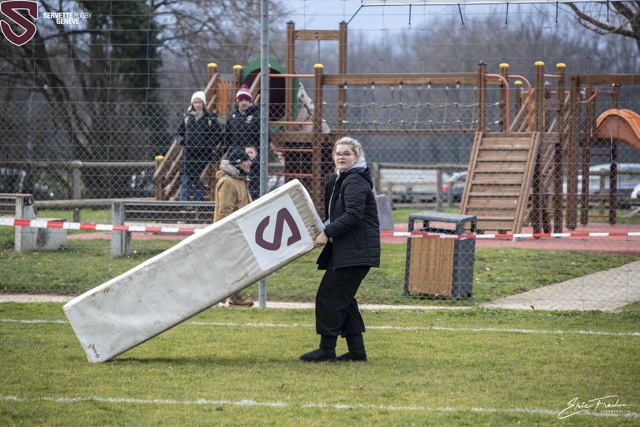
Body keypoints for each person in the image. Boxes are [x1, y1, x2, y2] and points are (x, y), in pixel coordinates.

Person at [300, 137, 380, 363]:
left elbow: (353, 216)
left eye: (347, 154)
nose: (341, 157)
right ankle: (357, 352)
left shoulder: (354, 181)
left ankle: (327, 349)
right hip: (349, 250)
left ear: (357, 157)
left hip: (355, 251)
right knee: (344, 299)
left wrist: (327, 233)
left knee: (329, 296)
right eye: (338, 153)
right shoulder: (342, 179)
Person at [214, 148, 254, 306]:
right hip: (229, 232)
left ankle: (234, 296)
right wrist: (231, 233)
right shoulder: (228, 182)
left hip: (240, 230)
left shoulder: (241, 180)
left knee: (237, 264)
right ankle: (219, 296)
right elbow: (225, 212)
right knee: (228, 264)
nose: (250, 163)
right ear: (238, 163)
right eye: (246, 161)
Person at [177, 91, 222, 201]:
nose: (197, 104)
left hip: (203, 157)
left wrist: (207, 144)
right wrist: (182, 141)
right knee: (185, 183)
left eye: (199, 102)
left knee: (200, 184)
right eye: (195, 102)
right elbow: (178, 133)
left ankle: (196, 208)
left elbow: (218, 135)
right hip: (188, 157)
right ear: (192, 104)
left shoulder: (210, 119)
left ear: (203, 103)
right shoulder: (187, 118)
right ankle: (183, 208)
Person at [222, 85, 260, 158]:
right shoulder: (232, 115)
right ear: (238, 101)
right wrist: (218, 155)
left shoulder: (257, 115)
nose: (243, 103)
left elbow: (264, 139)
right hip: (234, 155)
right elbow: (226, 139)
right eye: (241, 100)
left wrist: (258, 157)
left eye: (246, 100)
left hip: (250, 156)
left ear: (250, 101)